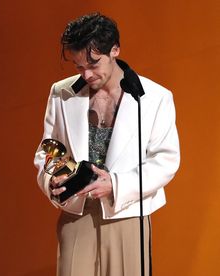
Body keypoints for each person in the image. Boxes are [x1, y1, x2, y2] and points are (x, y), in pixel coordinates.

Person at [34, 12, 180, 276]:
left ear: (115, 49)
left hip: (127, 212)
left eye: (94, 63)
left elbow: (166, 161)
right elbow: (48, 150)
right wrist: (52, 182)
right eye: (79, 67)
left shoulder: (155, 97)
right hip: (76, 213)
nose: (87, 74)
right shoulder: (60, 93)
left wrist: (115, 184)